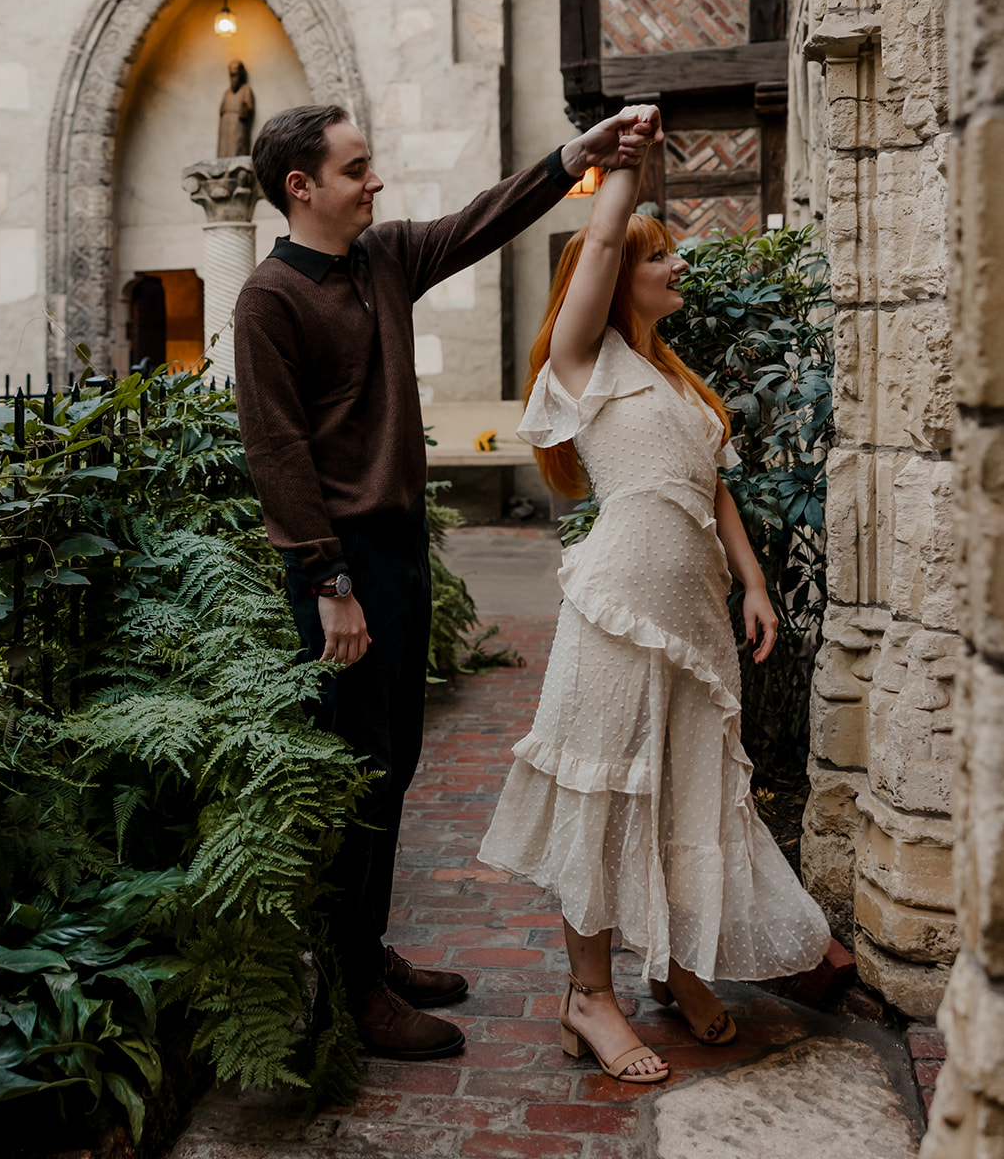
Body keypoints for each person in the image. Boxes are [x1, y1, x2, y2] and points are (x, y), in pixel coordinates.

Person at [233, 100, 662, 1062]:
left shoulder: (382, 259)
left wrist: (575, 157)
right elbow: (276, 449)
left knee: (394, 763)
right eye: (354, 169)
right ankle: (348, 989)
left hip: (396, 554)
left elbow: (482, 219)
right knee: (356, 773)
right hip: (339, 570)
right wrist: (328, 583)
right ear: (301, 188)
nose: (372, 181)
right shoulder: (269, 298)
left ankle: (365, 951)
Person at [479, 112, 831, 1085]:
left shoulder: (672, 379)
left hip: (695, 617)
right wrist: (621, 169)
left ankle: (674, 966)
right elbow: (596, 236)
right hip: (620, 609)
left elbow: (710, 488)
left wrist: (753, 585)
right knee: (605, 785)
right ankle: (587, 997)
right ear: (618, 274)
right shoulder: (582, 362)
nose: (678, 267)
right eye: (661, 257)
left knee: (688, 784)